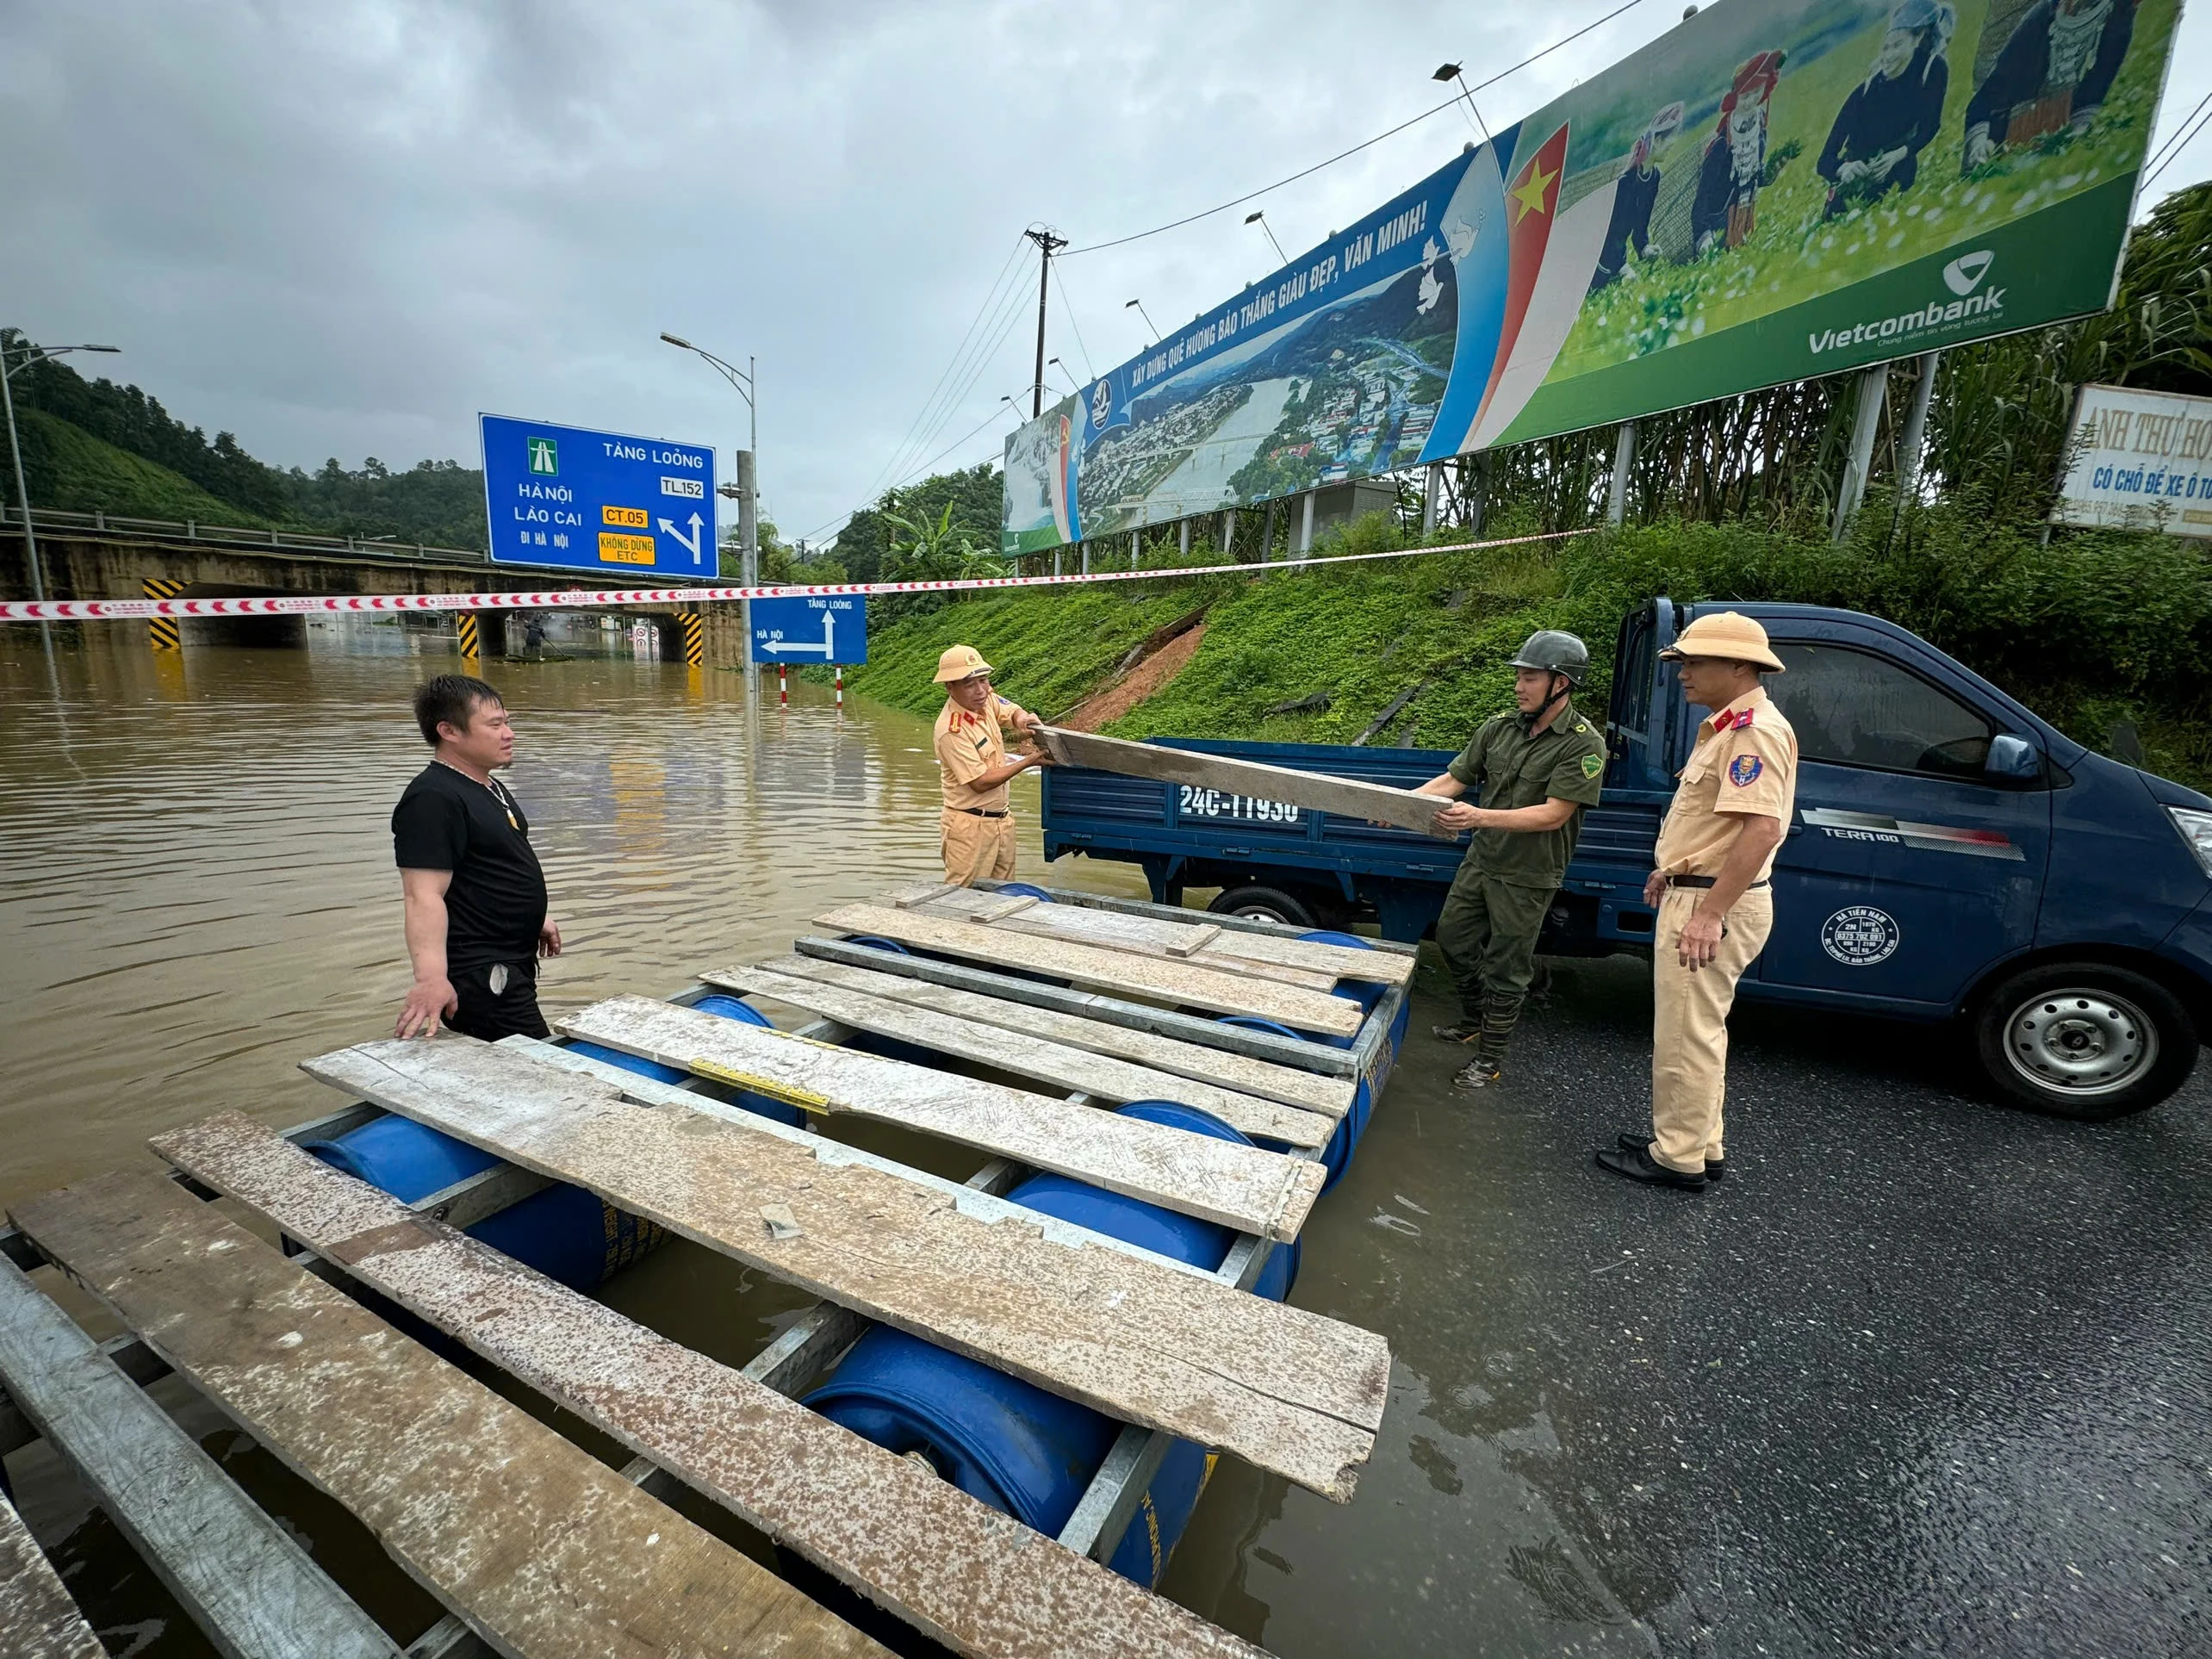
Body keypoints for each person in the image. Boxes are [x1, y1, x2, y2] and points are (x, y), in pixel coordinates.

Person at [1598, 612, 1797, 1191]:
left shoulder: (1752, 731)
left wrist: (1708, 911)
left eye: (1695, 662)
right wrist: (1673, 869)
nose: (1682, 673)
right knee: (1701, 1030)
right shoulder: (1730, 724)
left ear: (1739, 666)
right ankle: (1699, 1142)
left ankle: (1677, 1157)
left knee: (1686, 1035)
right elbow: (1716, 825)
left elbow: (1761, 830)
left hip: (1715, 903)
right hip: (1703, 891)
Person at [1413, 631, 1608, 1089]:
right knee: (1452, 938)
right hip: (1483, 859)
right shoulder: (1500, 727)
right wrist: (1405, 805)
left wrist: (1480, 816)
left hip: (1528, 873)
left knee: (1507, 966)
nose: (1519, 686)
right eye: (1519, 676)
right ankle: (1475, 1017)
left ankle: (1490, 1057)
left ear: (1561, 683)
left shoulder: (1583, 744)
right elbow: (1455, 778)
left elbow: (1554, 814)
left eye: (1531, 677)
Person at [391, 674, 560, 1041]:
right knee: (543, 1074)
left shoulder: (484, 784)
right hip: (481, 975)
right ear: (449, 731)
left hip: (508, 963)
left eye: (507, 722)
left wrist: (534, 917)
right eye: (495, 725)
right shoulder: (432, 798)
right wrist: (431, 978)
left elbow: (491, 865)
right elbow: (423, 895)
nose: (509, 733)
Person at [1818, 1, 1955, 219]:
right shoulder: (1863, 93)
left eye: (1897, 45)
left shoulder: (1932, 69)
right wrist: (1844, 169)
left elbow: (1930, 126)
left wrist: (1897, 155)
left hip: (1899, 169)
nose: (1889, 55)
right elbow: (1824, 161)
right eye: (1886, 48)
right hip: (1855, 180)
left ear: (1917, 39)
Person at [1963, 0, 2137, 170]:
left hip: (2062, 131)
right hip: (2008, 133)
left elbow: (2101, 78)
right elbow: (1992, 93)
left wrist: (2080, 128)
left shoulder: (2119, 15)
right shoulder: (2045, 15)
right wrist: (1979, 147)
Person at [934, 644, 1049, 886]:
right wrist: (1030, 761)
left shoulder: (986, 701)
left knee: (1004, 895)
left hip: (1002, 822)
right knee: (962, 899)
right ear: (950, 687)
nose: (980, 690)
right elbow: (980, 782)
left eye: (983, 680)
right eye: (969, 684)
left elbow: (1010, 710)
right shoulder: (951, 730)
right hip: (969, 828)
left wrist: (1023, 719)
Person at [1692, 51, 1786, 256]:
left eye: (1756, 93)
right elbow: (1703, 195)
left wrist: (1770, 173)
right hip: (1715, 223)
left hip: (1739, 223)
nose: (1750, 101)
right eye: (1745, 96)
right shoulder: (1722, 143)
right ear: (1735, 97)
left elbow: (1753, 178)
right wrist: (1704, 235)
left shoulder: (1759, 130)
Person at [1590, 103, 1685, 292]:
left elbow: (1640, 226)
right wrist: (1619, 266)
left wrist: (1644, 248)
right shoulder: (1625, 183)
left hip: (1618, 257)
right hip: (1599, 261)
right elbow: (1607, 233)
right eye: (1670, 137)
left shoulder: (1654, 177)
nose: (1673, 142)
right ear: (1656, 141)